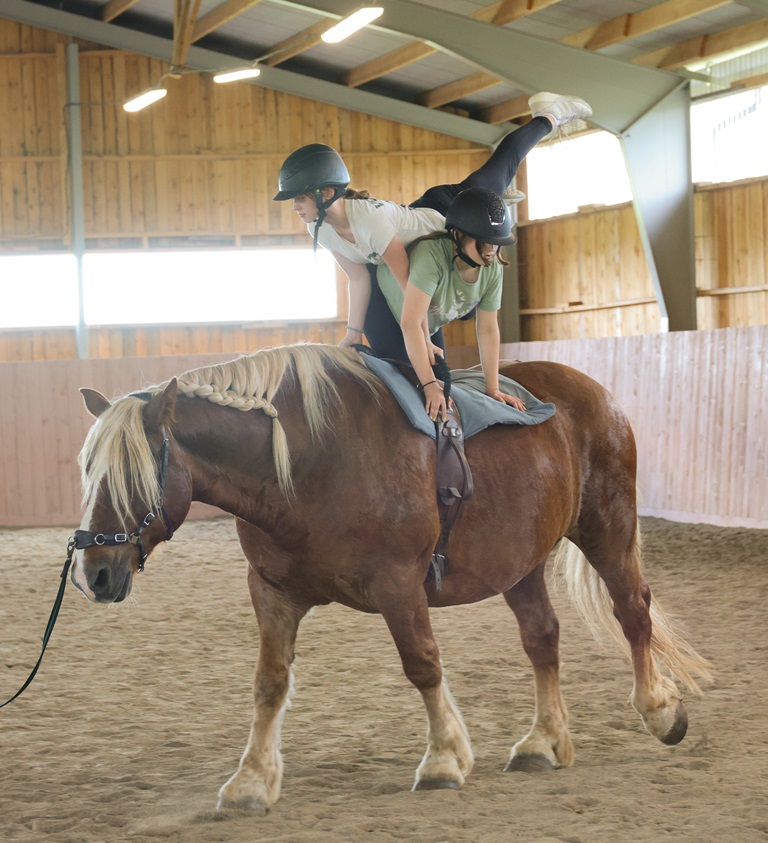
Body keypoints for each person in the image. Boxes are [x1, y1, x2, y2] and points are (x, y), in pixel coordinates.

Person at [273, 92, 592, 351]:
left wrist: (424, 339)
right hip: (420, 239)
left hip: (448, 210)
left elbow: (408, 283)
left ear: (326, 192)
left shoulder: (367, 221)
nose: (296, 207)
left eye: (299, 198)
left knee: (503, 165)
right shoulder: (321, 229)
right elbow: (358, 279)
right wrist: (354, 332)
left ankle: (547, 115)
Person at [374, 187, 523, 421]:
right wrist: (428, 383)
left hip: (428, 321)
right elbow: (410, 323)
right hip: (386, 310)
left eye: (495, 243)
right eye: (484, 242)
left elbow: (487, 328)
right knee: (407, 386)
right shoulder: (431, 255)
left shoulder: (493, 269)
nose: (490, 250)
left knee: (441, 385)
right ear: (458, 235)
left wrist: (492, 389)